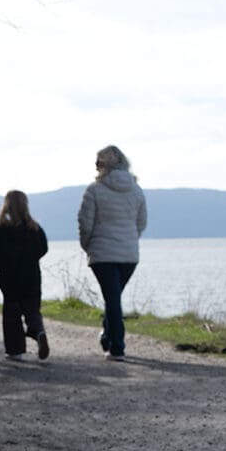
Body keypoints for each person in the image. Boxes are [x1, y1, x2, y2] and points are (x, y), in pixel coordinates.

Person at [77, 144, 147, 362]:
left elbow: (85, 223)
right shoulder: (136, 190)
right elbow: (141, 223)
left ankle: (117, 346)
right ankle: (108, 337)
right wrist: (129, 240)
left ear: (102, 166)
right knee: (113, 298)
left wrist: (87, 245)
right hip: (129, 254)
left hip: (103, 253)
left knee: (112, 299)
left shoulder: (94, 190)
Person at [0, 190, 50, 362]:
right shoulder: (35, 229)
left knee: (12, 315)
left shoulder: (2, 232)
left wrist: (1, 268)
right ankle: (38, 331)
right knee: (33, 311)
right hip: (32, 278)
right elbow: (43, 249)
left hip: (10, 281)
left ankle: (15, 350)